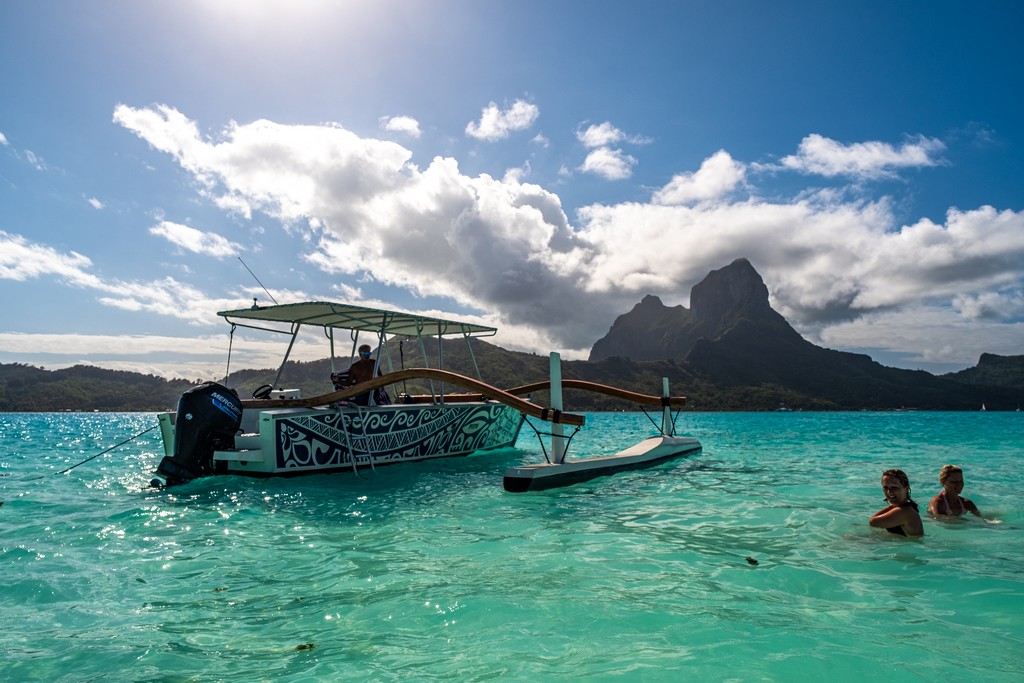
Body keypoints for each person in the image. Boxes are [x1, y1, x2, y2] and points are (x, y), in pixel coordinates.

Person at [869, 469, 924, 537]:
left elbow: (873, 522)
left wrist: (892, 506)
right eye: (886, 487)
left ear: (906, 489)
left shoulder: (904, 512)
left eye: (894, 487)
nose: (889, 492)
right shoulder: (908, 506)